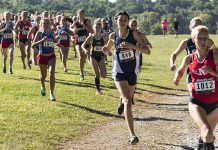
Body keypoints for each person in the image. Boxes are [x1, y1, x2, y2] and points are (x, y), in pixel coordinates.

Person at [103, 11, 150, 144]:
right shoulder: (113, 35)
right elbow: (107, 49)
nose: (123, 22)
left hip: (132, 71)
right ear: (116, 20)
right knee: (128, 101)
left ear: (128, 21)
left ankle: (121, 99)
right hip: (119, 70)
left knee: (127, 99)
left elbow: (147, 51)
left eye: (125, 20)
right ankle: (132, 135)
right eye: (120, 20)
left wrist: (132, 46)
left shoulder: (133, 34)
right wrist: (105, 50)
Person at [173, 25, 218, 150]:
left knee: (205, 136)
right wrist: (177, 77)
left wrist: (213, 72)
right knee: (208, 134)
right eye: (199, 38)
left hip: (215, 104)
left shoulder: (215, 56)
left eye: (205, 38)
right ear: (193, 40)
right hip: (196, 103)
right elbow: (181, 71)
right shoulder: (189, 58)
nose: (203, 41)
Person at [170, 17, 216, 94]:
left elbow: (215, 51)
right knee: (194, 95)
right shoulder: (186, 42)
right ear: (190, 27)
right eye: (194, 26)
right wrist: (172, 64)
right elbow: (174, 54)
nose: (196, 28)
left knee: (207, 96)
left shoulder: (208, 41)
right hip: (192, 72)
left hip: (207, 73)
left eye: (199, 26)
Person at [32, 18, 58, 101]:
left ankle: (51, 93)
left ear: (49, 24)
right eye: (44, 23)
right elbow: (33, 45)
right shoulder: (39, 33)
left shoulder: (52, 32)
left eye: (47, 23)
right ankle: (42, 85)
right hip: (42, 56)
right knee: (43, 76)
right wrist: (41, 40)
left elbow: (55, 41)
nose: (46, 25)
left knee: (51, 73)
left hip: (51, 56)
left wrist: (56, 39)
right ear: (41, 24)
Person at [82, 20, 107, 95]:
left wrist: (108, 51)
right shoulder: (91, 37)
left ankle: (99, 70)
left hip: (101, 57)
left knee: (104, 75)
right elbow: (82, 45)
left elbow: (106, 46)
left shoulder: (104, 37)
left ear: (101, 27)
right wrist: (85, 50)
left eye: (99, 26)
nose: (98, 28)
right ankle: (98, 90)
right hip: (93, 57)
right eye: (96, 27)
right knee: (97, 74)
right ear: (93, 28)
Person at [71, 9, 93, 81]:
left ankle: (82, 67)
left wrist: (85, 26)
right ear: (77, 15)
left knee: (83, 58)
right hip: (78, 42)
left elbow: (92, 31)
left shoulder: (87, 21)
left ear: (84, 15)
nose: (81, 15)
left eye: (82, 14)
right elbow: (70, 27)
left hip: (86, 42)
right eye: (79, 14)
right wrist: (73, 30)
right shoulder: (76, 22)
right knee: (80, 57)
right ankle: (81, 73)